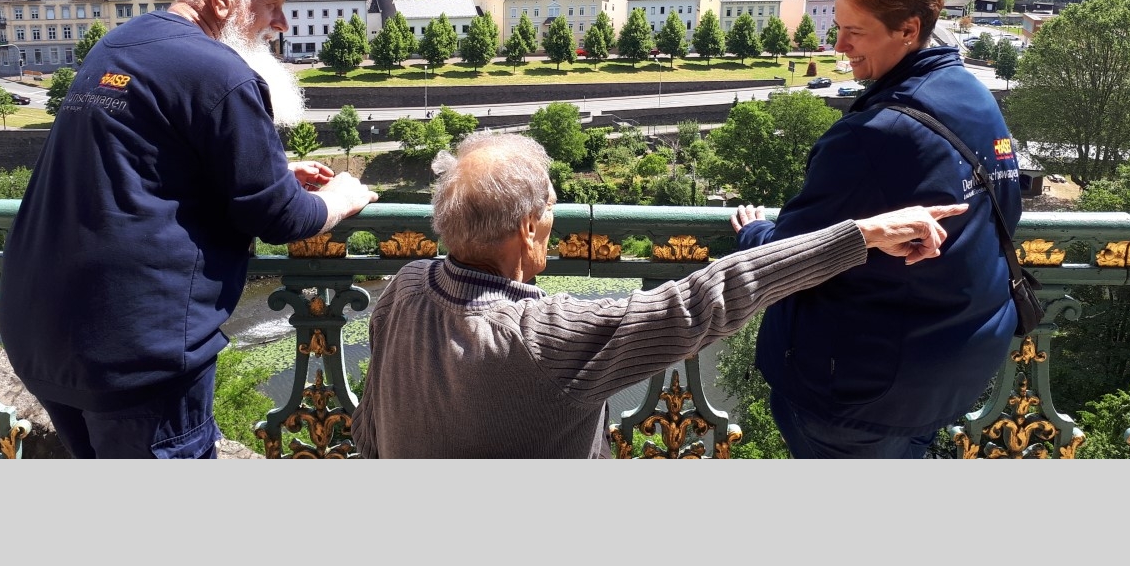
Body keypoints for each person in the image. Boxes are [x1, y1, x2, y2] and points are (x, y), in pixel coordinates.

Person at [351, 132, 967, 459]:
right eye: (551, 218)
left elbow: (370, 428)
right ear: (528, 229)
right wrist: (859, 237)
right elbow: (705, 302)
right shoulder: (542, 339)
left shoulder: (404, 291)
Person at [0, 0, 379, 459]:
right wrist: (342, 195)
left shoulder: (122, 43)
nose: (281, 24)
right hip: (137, 355)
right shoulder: (222, 72)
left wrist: (272, 169)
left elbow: (145, 159)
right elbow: (280, 218)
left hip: (42, 334)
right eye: (271, 6)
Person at [732, 0, 1022, 459]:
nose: (838, 44)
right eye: (838, 26)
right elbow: (1007, 208)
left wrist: (753, 231)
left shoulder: (874, 136)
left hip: (862, 392)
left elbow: (791, 253)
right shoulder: (972, 95)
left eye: (854, 31)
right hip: (951, 366)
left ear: (908, 30)